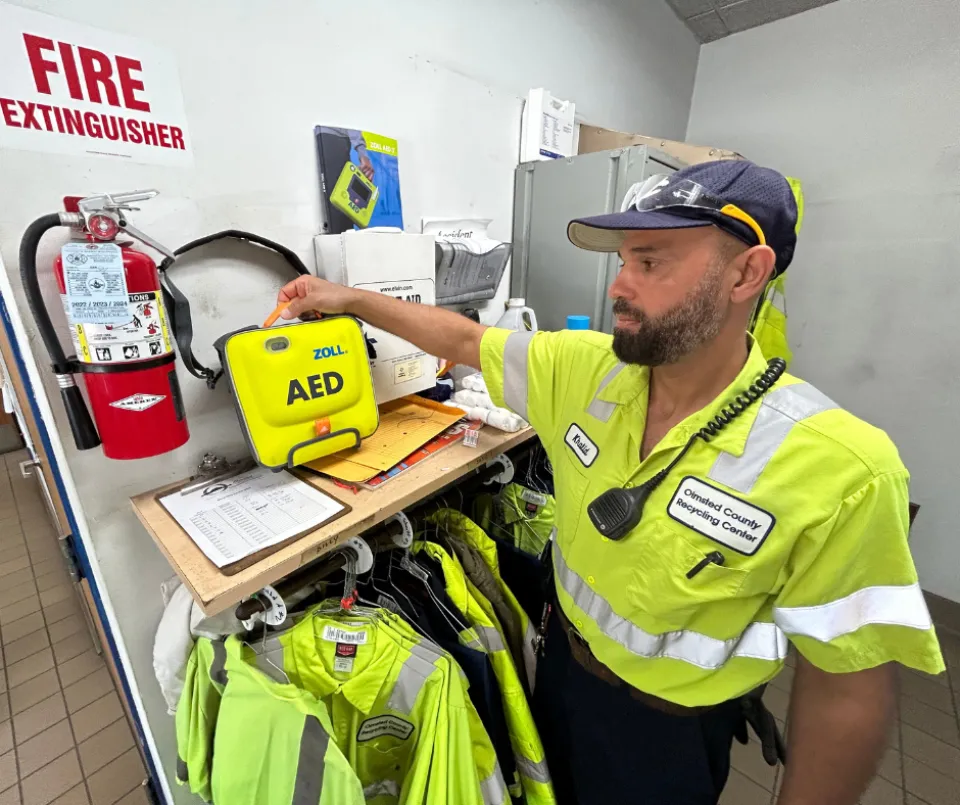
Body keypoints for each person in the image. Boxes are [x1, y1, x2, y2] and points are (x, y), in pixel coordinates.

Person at [276, 160, 945, 805]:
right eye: (623, 260)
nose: (619, 285)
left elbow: (846, 689)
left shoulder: (845, 468)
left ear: (747, 272)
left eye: (650, 261)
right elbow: (464, 339)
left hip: (671, 731)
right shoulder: (582, 367)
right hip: (560, 673)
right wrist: (347, 297)